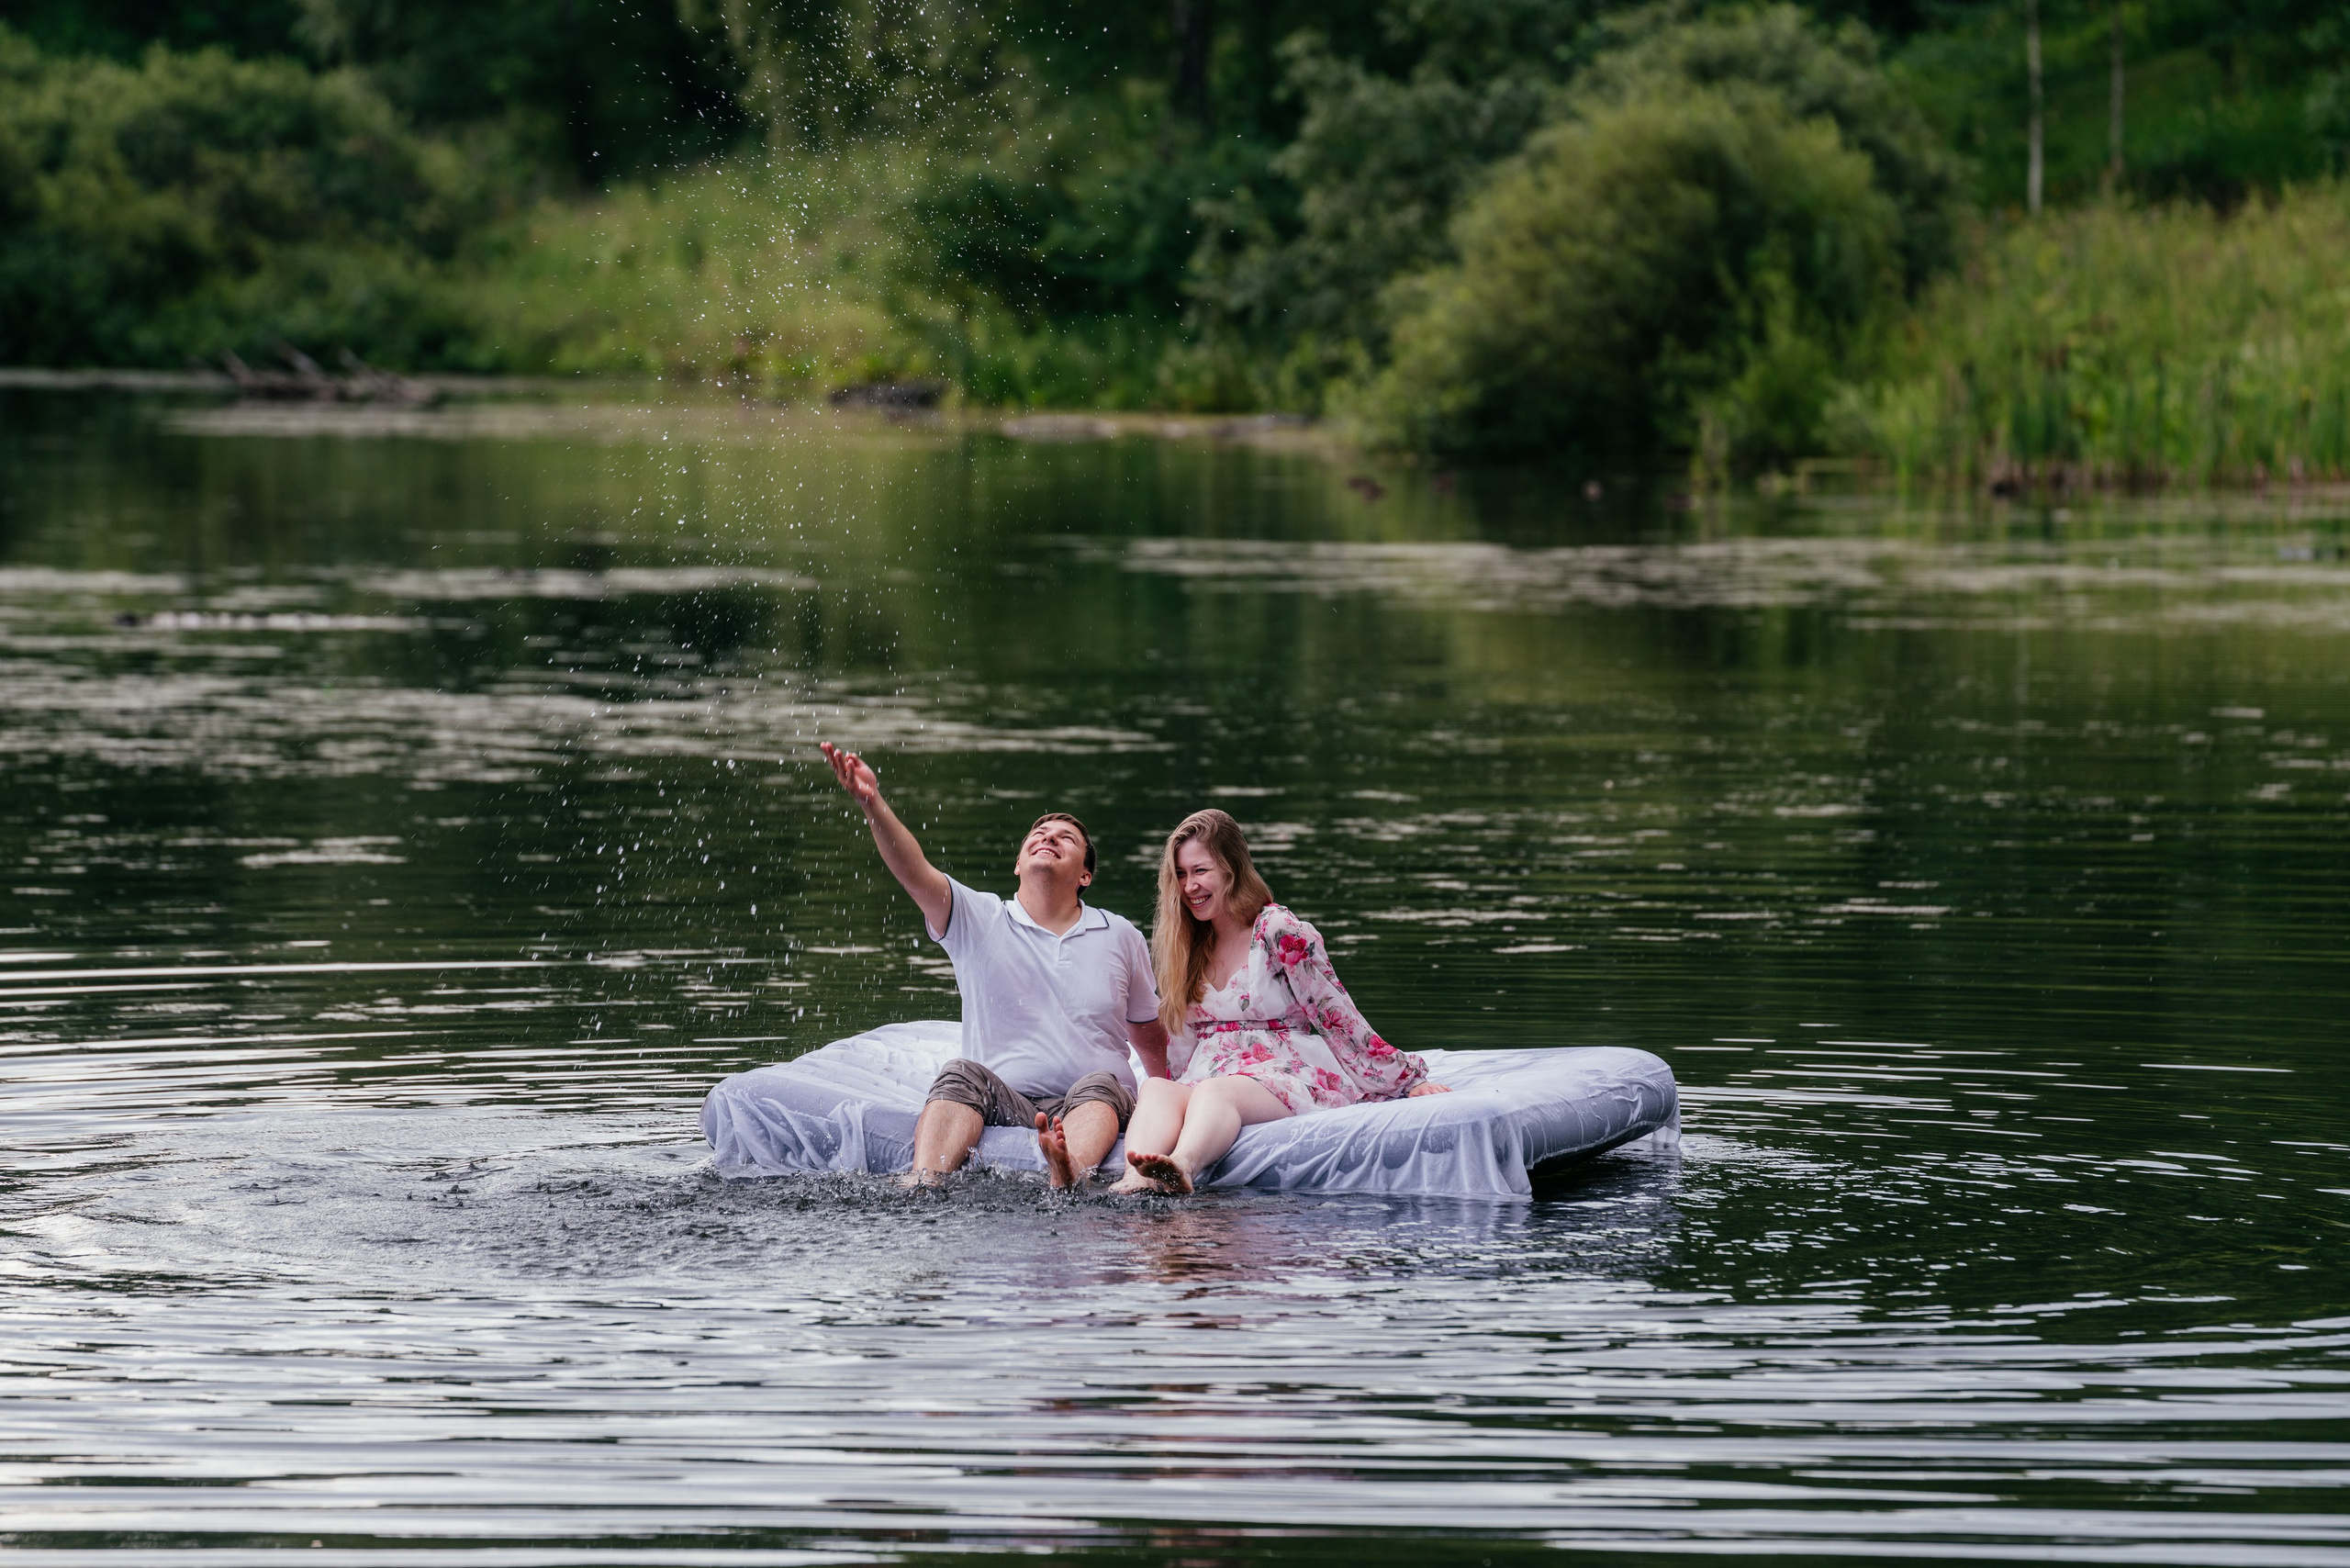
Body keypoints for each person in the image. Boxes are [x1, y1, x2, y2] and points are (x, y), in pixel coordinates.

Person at [819, 742, 1169, 1188]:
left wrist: (1167, 1095)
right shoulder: (978, 917)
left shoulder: (1121, 934)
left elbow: (1147, 1031)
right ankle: (924, 1180)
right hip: (1004, 1098)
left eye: (1066, 837)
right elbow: (914, 871)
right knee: (960, 1071)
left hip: (1093, 1101)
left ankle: (1068, 1171)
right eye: (1038, 835)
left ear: (1085, 874)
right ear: (1019, 863)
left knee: (1102, 1083)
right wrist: (873, 804)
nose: (1048, 837)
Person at [1110, 809, 1450, 1196]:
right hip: (1211, 1067)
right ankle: (1134, 1179)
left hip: (1283, 1068)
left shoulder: (1277, 929)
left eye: (1200, 871)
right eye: (1181, 875)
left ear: (1231, 869)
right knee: (1157, 1089)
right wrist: (1173, 1090)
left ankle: (1183, 1166)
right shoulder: (1186, 942)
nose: (1189, 887)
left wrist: (1406, 1081)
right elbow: (1183, 1036)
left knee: (1215, 1092)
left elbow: (1336, 1014)